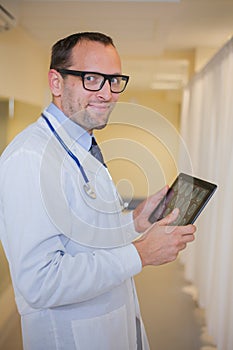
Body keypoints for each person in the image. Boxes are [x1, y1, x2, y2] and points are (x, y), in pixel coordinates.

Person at [0, 32, 195, 350]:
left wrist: (133, 221)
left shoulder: (83, 146)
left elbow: (84, 233)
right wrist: (140, 253)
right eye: (92, 78)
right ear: (56, 83)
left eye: (114, 80)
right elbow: (40, 282)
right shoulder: (31, 158)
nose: (107, 93)